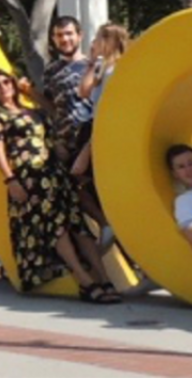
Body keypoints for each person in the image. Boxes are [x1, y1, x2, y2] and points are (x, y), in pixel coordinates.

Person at [0, 68, 120, 303]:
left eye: (6, 82)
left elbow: (53, 118)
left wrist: (30, 92)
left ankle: (104, 279)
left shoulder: (32, 111)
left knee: (78, 225)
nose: (4, 88)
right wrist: (10, 179)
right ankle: (85, 281)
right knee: (57, 228)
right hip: (30, 177)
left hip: (54, 172)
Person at [67, 24, 129, 235]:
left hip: (104, 127)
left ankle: (110, 223)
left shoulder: (119, 68)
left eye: (100, 38)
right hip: (95, 124)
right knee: (77, 177)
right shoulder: (103, 66)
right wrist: (92, 62)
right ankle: (106, 223)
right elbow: (83, 91)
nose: (95, 43)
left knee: (79, 174)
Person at [40, 17, 92, 170]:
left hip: (92, 138)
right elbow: (50, 107)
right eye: (59, 35)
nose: (64, 39)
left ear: (79, 35)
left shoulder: (93, 66)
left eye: (69, 34)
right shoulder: (51, 71)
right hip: (66, 145)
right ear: (54, 39)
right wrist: (56, 141)